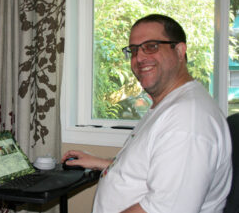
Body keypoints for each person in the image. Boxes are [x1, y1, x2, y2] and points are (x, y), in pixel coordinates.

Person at [61, 14, 232, 213]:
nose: (139, 58)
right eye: (134, 50)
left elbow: (165, 209)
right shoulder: (169, 104)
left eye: (151, 46)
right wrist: (103, 163)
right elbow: (155, 166)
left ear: (179, 50)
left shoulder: (187, 121)